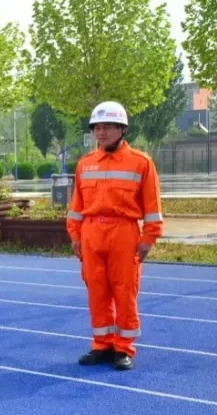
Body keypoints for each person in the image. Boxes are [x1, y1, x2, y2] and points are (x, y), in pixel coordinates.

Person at [67, 101, 163, 371]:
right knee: (96, 291)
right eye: (97, 127)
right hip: (91, 234)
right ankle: (102, 344)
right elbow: (76, 206)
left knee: (124, 291)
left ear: (122, 129)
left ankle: (123, 348)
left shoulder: (141, 163)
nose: (101, 132)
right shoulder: (85, 164)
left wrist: (149, 238)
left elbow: (153, 208)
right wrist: (75, 235)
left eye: (107, 126)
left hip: (124, 233)